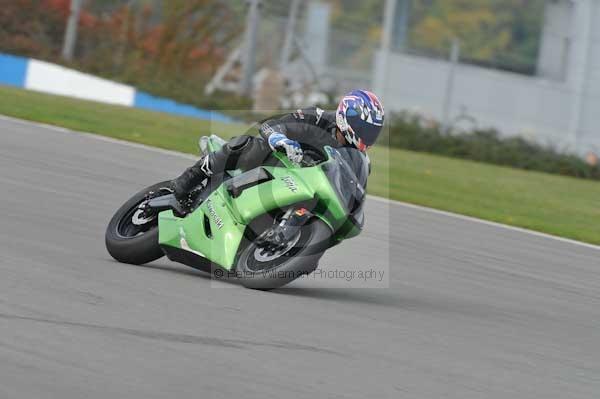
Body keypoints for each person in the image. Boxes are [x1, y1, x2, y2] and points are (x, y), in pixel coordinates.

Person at [171, 89, 385, 210]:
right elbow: (272, 124)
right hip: (276, 161)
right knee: (248, 146)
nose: (367, 135)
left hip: (301, 185)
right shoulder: (317, 118)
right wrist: (279, 139)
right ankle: (188, 178)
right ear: (348, 118)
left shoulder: (360, 159)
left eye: (372, 131)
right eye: (364, 128)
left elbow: (354, 189)